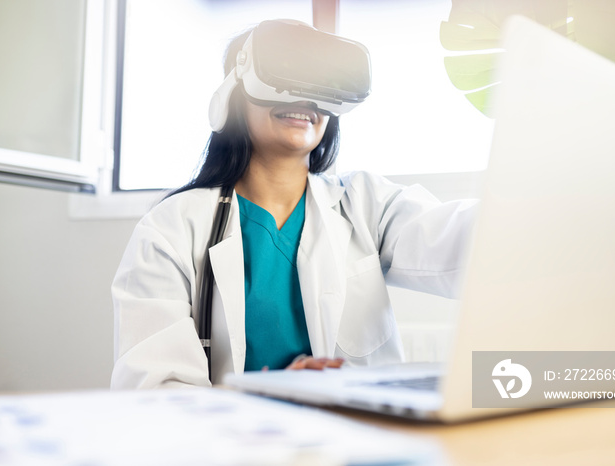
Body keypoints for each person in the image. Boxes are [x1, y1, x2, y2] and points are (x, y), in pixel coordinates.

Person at [110, 20, 477, 389]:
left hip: (361, 436)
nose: (303, 99)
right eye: (285, 75)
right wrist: (270, 395)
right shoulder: (170, 229)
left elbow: (468, 241)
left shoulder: (364, 203)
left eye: (320, 82)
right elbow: (156, 392)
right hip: (234, 442)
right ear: (235, 92)